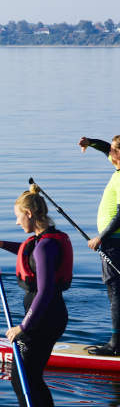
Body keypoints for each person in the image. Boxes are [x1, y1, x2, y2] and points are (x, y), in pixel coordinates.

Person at [0, 183, 71, 407]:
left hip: (42, 319)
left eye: (18, 215)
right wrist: (1, 244)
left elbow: (44, 291)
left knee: (19, 378)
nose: (17, 220)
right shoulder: (46, 240)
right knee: (32, 376)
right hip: (51, 316)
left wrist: (23, 327)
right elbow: (30, 252)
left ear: (30, 213)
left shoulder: (45, 247)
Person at [79, 135, 120, 355]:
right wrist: (91, 142)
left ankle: (115, 345)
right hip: (113, 242)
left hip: (114, 244)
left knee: (115, 292)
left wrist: (100, 238)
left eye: (113, 150)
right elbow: (106, 148)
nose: (109, 153)